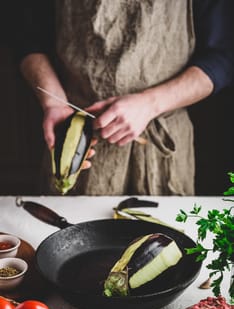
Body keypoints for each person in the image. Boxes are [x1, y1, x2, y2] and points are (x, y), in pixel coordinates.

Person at [15, 0, 234, 195]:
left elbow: (224, 56)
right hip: (73, 131)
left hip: (161, 144)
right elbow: (26, 34)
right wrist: (53, 102)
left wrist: (151, 104)